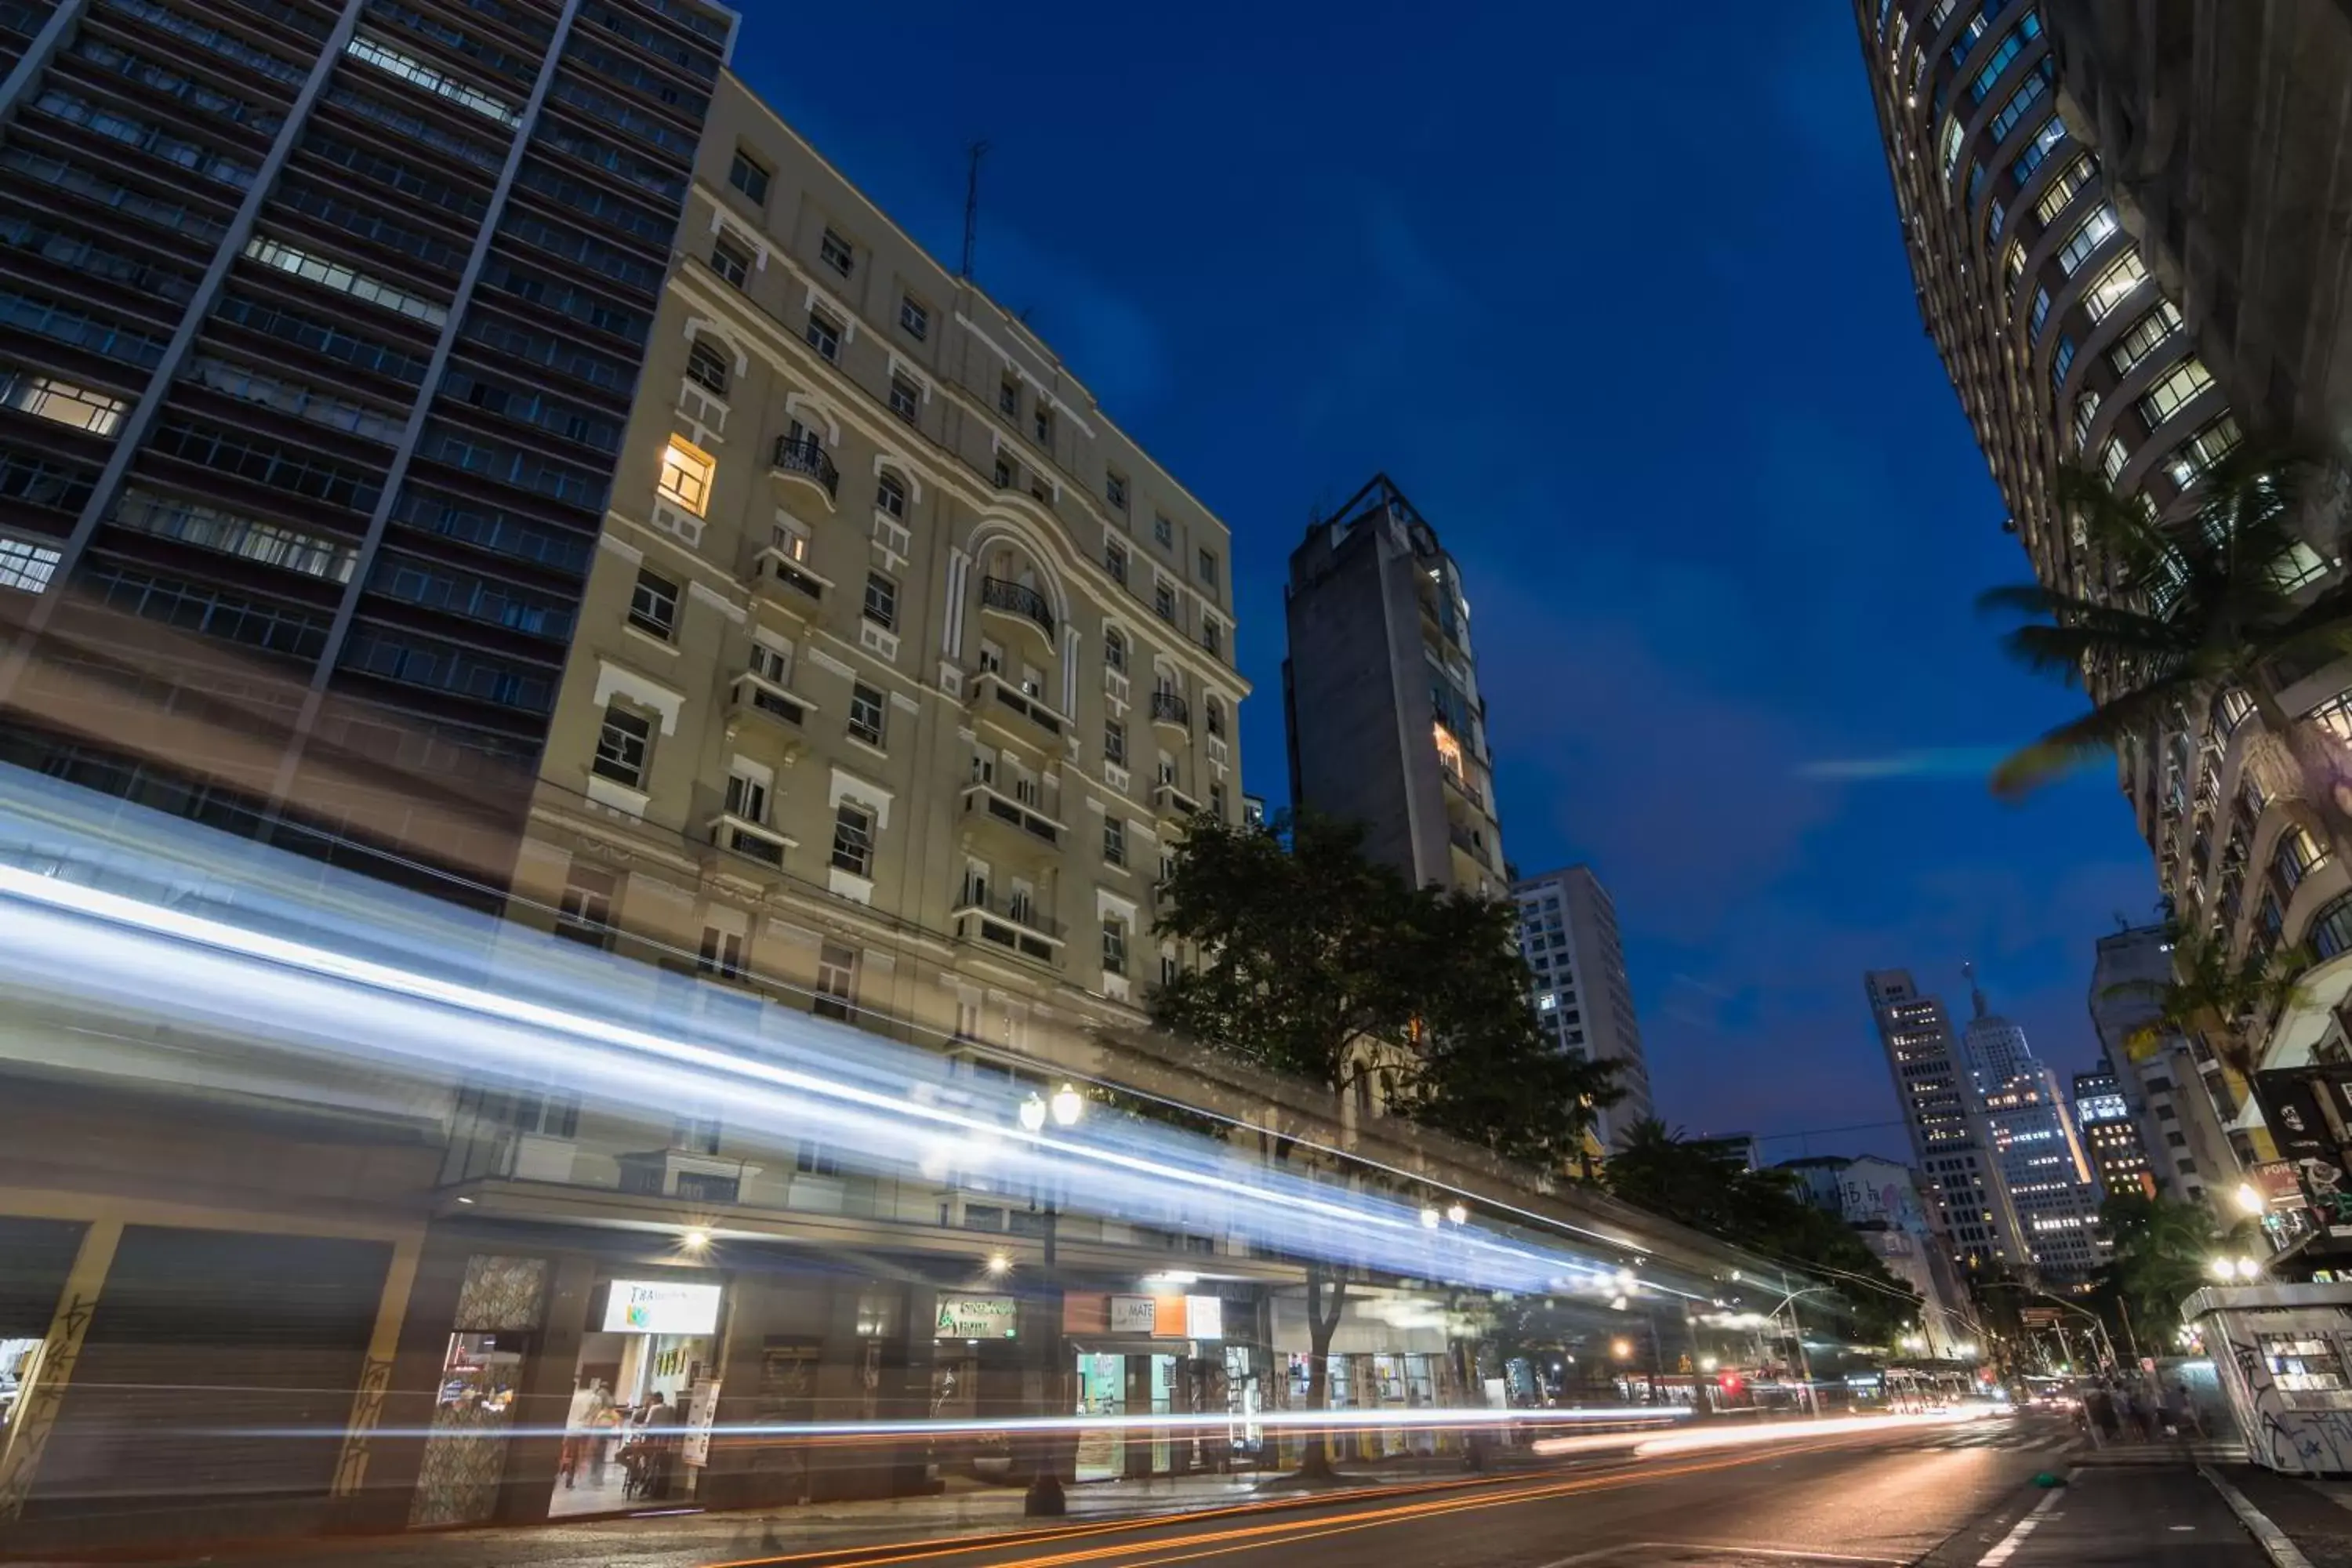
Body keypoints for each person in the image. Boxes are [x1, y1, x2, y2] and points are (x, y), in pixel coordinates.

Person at [559, 1377, 608, 1489]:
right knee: (577, 1455)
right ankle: (570, 1480)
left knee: (566, 1452)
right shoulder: (595, 1399)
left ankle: (561, 1472)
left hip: (568, 1428)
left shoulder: (573, 1396)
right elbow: (595, 1417)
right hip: (584, 1429)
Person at [638, 1389, 681, 1499]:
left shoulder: (654, 1409)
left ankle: (646, 1486)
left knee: (648, 1462)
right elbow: (673, 1426)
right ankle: (656, 1490)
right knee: (660, 1465)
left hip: (653, 1440)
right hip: (666, 1442)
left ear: (655, 1399)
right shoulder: (671, 1409)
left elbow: (647, 1425)